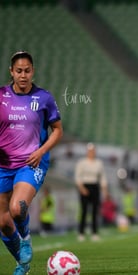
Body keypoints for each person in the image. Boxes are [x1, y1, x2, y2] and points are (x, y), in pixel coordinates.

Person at [0, 51, 63, 275]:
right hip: (3, 165)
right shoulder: (1, 97)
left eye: (27, 71)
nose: (23, 75)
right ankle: (22, 264)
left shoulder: (43, 98)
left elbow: (57, 130)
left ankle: (26, 238)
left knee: (17, 209)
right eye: (19, 71)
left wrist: (41, 151)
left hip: (31, 163)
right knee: (3, 223)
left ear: (33, 71)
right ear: (11, 72)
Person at [75, 142, 108, 242]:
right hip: (85, 186)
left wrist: (104, 190)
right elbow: (78, 176)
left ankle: (94, 232)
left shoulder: (99, 163)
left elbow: (102, 178)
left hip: (95, 186)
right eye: (90, 151)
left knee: (94, 211)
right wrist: (81, 188)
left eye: (93, 151)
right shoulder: (82, 162)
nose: (91, 153)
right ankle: (81, 232)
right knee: (84, 210)